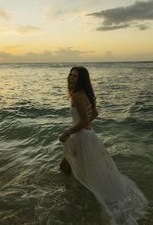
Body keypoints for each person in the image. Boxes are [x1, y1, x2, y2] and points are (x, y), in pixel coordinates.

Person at [59, 66, 148, 224]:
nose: (72, 78)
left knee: (72, 168)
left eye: (75, 76)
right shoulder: (86, 93)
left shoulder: (76, 96)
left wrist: (67, 132)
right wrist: (78, 129)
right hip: (86, 136)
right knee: (70, 166)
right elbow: (94, 115)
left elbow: (85, 121)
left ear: (81, 79)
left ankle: (72, 197)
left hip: (80, 138)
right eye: (71, 75)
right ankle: (74, 194)